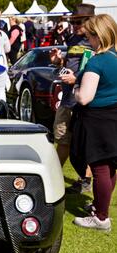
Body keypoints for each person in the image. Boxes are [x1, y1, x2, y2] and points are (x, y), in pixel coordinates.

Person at [71, 14, 117, 231]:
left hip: (98, 118)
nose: (87, 40)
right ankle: (101, 208)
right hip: (113, 114)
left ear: (98, 36)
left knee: (99, 166)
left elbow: (85, 97)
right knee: (110, 166)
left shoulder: (97, 61)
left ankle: (101, 217)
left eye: (89, 36)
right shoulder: (116, 56)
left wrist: (75, 89)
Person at [50, 4, 96, 193]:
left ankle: (84, 180)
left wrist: (76, 79)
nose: (75, 25)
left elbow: (98, 72)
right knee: (62, 138)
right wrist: (58, 61)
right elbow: (71, 63)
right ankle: (52, 176)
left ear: (90, 21)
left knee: (83, 143)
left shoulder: (97, 42)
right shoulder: (73, 38)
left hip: (86, 100)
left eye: (79, 22)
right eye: (73, 21)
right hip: (68, 98)